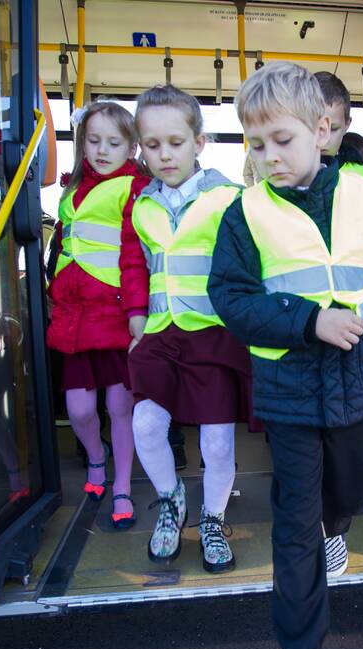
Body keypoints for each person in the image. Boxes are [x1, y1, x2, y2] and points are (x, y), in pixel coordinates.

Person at [208, 62, 363, 649]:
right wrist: (307, 322)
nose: (268, 157)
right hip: (291, 393)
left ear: (323, 130)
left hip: (361, 386)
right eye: (256, 144)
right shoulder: (243, 214)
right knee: (294, 534)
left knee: (356, 479)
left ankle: (340, 522)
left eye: (282, 141)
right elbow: (231, 300)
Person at [129, 84, 252, 572]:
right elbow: (137, 266)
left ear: (198, 143)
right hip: (160, 334)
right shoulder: (142, 206)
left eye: (175, 143)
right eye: (152, 145)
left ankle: (214, 518)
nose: (163, 154)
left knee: (217, 440)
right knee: (145, 424)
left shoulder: (228, 198)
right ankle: (171, 497)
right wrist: (136, 318)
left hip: (213, 334)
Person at [45, 100, 150, 530]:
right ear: (81, 143)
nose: (102, 150)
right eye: (93, 141)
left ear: (131, 147)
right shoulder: (70, 192)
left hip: (117, 313)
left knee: (119, 405)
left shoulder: (135, 189)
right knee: (79, 408)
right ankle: (95, 456)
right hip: (75, 316)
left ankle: (120, 484)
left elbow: (132, 256)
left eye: (113, 142)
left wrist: (137, 312)